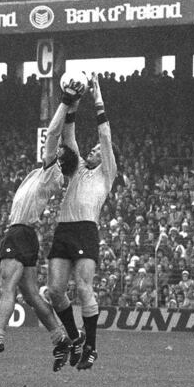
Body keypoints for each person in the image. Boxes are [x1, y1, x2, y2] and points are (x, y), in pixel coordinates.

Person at [0, 89, 80, 370]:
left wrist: (65, 101)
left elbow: (52, 134)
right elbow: (62, 138)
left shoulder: (52, 171)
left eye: (57, 151)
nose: (52, 149)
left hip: (19, 233)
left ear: (60, 159)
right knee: (29, 293)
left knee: (6, 286)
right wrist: (72, 111)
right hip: (26, 234)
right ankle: (60, 339)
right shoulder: (50, 174)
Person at [46, 74, 119, 371]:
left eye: (97, 151)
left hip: (86, 230)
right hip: (64, 229)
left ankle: (91, 348)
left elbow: (105, 137)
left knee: (84, 288)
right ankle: (75, 337)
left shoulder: (107, 173)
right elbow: (68, 136)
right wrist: (73, 104)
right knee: (54, 291)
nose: (93, 150)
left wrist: (97, 99)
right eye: (92, 149)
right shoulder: (77, 169)